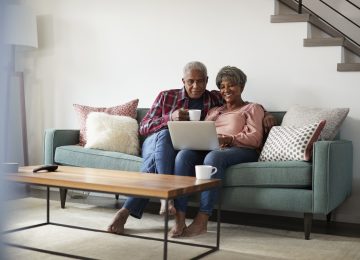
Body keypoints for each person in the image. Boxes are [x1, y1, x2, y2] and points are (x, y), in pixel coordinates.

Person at [107, 61, 276, 235]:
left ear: (207, 80)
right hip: (157, 140)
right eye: (191, 81)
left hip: (221, 148)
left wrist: (266, 114)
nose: (196, 86)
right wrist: (169, 118)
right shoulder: (170, 97)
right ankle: (174, 208)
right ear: (183, 81)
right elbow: (143, 127)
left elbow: (248, 110)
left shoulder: (215, 99)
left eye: (201, 81)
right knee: (171, 142)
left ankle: (181, 211)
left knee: (188, 155)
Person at [169, 66, 265, 238]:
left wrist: (229, 139)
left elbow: (255, 138)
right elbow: (203, 132)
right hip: (213, 147)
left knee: (214, 157)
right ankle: (180, 216)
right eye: (222, 86)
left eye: (231, 85)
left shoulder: (252, 108)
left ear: (241, 87)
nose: (226, 90)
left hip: (241, 149)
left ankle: (202, 219)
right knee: (184, 155)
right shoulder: (214, 111)